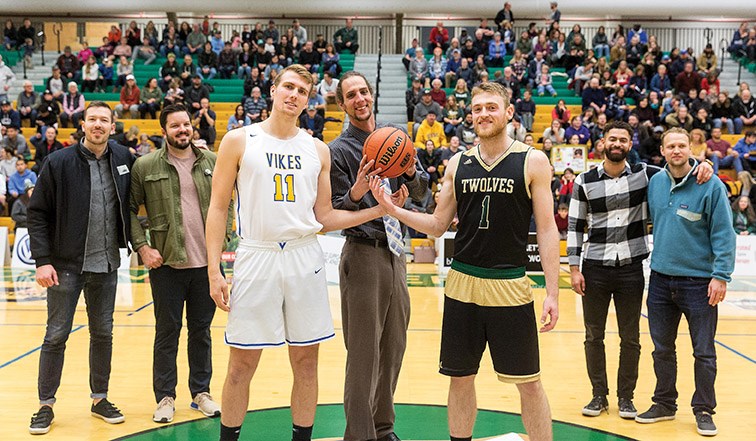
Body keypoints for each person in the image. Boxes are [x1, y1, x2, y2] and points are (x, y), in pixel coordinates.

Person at [205, 65, 406, 441]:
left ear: (309, 99)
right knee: (240, 364)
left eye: (302, 91)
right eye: (289, 87)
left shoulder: (316, 150)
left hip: (303, 255)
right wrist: (214, 270)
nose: (294, 95)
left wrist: (380, 209)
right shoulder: (238, 140)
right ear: (273, 90)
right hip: (256, 255)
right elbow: (217, 208)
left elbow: (326, 217)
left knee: (306, 362)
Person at [368, 81, 559, 441]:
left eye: (491, 107)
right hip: (462, 284)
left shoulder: (532, 160)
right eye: (477, 109)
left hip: (510, 285)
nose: (483, 114)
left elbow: (548, 230)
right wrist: (394, 209)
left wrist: (552, 292)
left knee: (529, 384)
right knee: (460, 378)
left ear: (508, 113)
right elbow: (438, 225)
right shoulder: (458, 163)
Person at [569, 122, 714, 422]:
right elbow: (574, 227)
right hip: (594, 268)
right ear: (602, 143)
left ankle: (626, 397)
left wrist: (704, 164)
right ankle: (599, 395)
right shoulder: (584, 181)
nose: (618, 143)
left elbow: (680, 166)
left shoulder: (646, 175)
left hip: (632, 268)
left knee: (631, 338)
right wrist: (573, 269)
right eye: (613, 139)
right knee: (593, 335)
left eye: (623, 139)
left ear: (630, 144)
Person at [329, 70, 428, 441]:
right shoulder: (339, 151)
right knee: (364, 355)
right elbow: (335, 210)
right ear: (342, 104)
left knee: (393, 348)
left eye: (364, 91)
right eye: (351, 95)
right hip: (363, 251)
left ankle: (383, 428)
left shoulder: (395, 138)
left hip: (396, 252)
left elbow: (421, 194)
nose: (360, 98)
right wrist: (356, 192)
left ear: (372, 95)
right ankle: (359, 435)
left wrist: (410, 174)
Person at [27, 102, 134, 435]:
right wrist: (42, 260)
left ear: (113, 125)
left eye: (104, 120)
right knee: (56, 334)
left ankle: (99, 398)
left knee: (103, 333)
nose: (98, 125)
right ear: (82, 125)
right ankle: (45, 405)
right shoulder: (57, 162)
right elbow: (37, 213)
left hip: (106, 264)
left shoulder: (123, 158)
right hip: (65, 266)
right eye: (92, 120)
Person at [129, 104, 230, 424]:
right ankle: (165, 397)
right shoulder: (145, 166)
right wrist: (143, 247)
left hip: (207, 267)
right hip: (167, 266)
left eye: (186, 124)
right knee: (167, 332)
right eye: (175, 126)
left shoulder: (212, 162)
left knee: (201, 332)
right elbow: (129, 211)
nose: (183, 130)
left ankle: (201, 393)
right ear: (164, 131)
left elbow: (229, 201)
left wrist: (225, 239)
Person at [637, 127, 736, 437]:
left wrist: (721, 275)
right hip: (661, 280)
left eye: (682, 145)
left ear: (691, 148)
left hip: (699, 282)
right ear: (663, 151)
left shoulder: (711, 184)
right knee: (662, 349)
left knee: (704, 351)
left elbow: (723, 233)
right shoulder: (655, 182)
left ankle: (704, 409)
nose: (676, 150)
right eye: (671, 146)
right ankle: (665, 403)